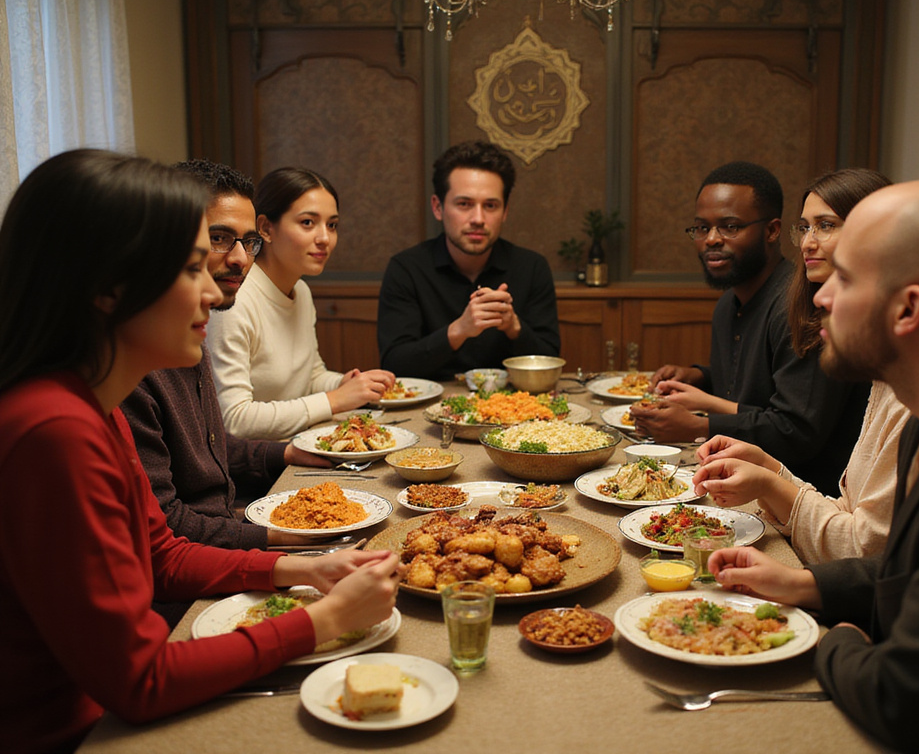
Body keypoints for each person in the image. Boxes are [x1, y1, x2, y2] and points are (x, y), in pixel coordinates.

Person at [0, 150, 400, 754]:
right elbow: (139, 682)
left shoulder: (89, 402)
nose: (214, 290)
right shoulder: (53, 430)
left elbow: (158, 552)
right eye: (192, 268)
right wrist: (324, 620)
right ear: (109, 288)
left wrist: (301, 568)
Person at [708, 178, 919, 753]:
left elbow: (904, 703)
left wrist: (838, 639)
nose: (822, 297)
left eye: (847, 279)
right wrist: (806, 584)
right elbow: (916, 570)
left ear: (908, 309)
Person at [691, 169, 910, 563]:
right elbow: (848, 513)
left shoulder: (917, 396)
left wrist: (804, 585)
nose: (809, 243)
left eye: (826, 226)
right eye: (805, 227)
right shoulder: (887, 376)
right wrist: (771, 473)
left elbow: (868, 555)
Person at [121, 159, 330, 551]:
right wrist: (284, 543)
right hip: (203, 558)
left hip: (226, 527)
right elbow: (166, 535)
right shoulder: (130, 369)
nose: (240, 259)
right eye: (218, 239)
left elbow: (209, 447)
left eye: (247, 242)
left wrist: (286, 452)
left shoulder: (189, 332)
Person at [631, 161, 867, 490]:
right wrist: (701, 376)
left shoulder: (803, 305)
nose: (712, 239)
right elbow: (754, 387)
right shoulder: (730, 302)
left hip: (806, 491)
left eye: (729, 226)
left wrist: (700, 426)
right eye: (702, 228)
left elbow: (795, 430)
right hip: (746, 472)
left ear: (771, 230)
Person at [207, 167, 395, 439]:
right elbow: (234, 419)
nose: (324, 239)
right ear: (266, 228)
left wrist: (348, 383)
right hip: (257, 465)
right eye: (308, 222)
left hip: (297, 443)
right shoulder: (233, 299)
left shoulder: (301, 292)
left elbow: (310, 375)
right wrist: (334, 400)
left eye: (332, 225)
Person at [377, 140, 560, 380]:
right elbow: (394, 365)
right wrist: (458, 330)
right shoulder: (407, 268)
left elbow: (550, 362)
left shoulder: (532, 267)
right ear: (438, 207)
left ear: (505, 211)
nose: (478, 218)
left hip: (514, 407)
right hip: (429, 408)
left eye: (491, 206)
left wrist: (514, 327)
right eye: (464, 204)